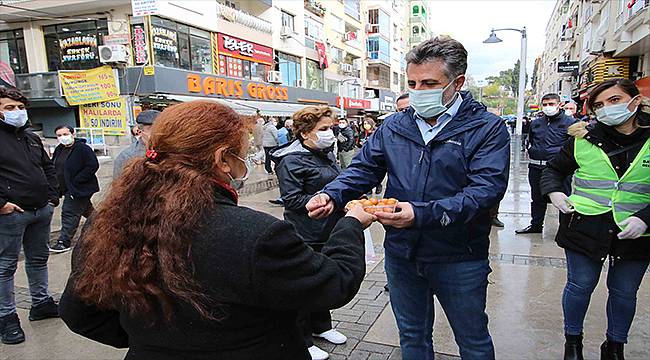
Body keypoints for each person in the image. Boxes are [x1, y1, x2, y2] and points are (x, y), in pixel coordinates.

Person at [58, 101, 375, 360]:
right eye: (245, 153)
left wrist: (154, 341)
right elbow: (334, 283)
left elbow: (79, 313)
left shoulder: (104, 223)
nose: (246, 161)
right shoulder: (257, 235)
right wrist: (352, 224)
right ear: (223, 159)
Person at [307, 36, 510, 360]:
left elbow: (485, 191)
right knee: (413, 337)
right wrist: (331, 194)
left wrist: (421, 214)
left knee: (472, 340)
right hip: (402, 254)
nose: (419, 91)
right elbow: (363, 168)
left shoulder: (485, 128)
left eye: (429, 83)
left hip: (459, 255)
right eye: (413, 83)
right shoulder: (395, 126)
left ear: (457, 82)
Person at [541, 79, 650, 360]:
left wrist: (646, 219)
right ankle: (573, 343)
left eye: (614, 100)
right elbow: (553, 170)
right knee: (580, 285)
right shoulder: (582, 138)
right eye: (599, 104)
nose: (606, 109)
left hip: (635, 232)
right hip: (585, 224)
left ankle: (615, 346)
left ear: (635, 101)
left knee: (624, 292)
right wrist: (554, 192)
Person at [270, 106, 348, 360]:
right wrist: (323, 201)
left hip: (329, 229)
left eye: (330, 128)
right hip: (306, 232)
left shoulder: (325, 153)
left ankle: (322, 327)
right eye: (323, 129)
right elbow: (291, 199)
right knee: (304, 287)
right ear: (305, 133)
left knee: (322, 282)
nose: (329, 134)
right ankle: (302, 339)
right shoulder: (291, 160)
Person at [0, 87, 60, 345]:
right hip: (11, 214)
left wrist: (52, 197)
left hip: (41, 210)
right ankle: (7, 318)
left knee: (38, 259)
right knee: (5, 267)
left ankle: (41, 303)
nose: (17, 112)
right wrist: (2, 204)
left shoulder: (31, 137)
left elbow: (47, 167)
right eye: (9, 108)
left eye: (20, 107)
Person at [516, 93, 576, 234]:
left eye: (551, 104)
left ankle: (564, 229)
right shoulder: (536, 123)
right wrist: (531, 150)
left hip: (559, 169)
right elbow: (531, 140)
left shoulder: (570, 123)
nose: (548, 107)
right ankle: (536, 225)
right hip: (536, 166)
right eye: (545, 104)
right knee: (536, 198)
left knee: (563, 198)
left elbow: (573, 146)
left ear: (559, 104)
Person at [50, 125, 99, 253]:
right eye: (59, 135)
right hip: (66, 188)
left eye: (65, 134)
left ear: (72, 134)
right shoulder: (59, 149)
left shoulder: (82, 149)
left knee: (69, 213)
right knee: (89, 212)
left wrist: (77, 180)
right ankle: (105, 225)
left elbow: (92, 165)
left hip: (79, 189)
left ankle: (64, 242)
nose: (62, 138)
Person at [113, 110, 160, 179]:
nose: (156, 133)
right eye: (150, 129)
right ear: (140, 132)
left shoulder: (170, 152)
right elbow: (118, 184)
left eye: (159, 128)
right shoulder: (127, 156)